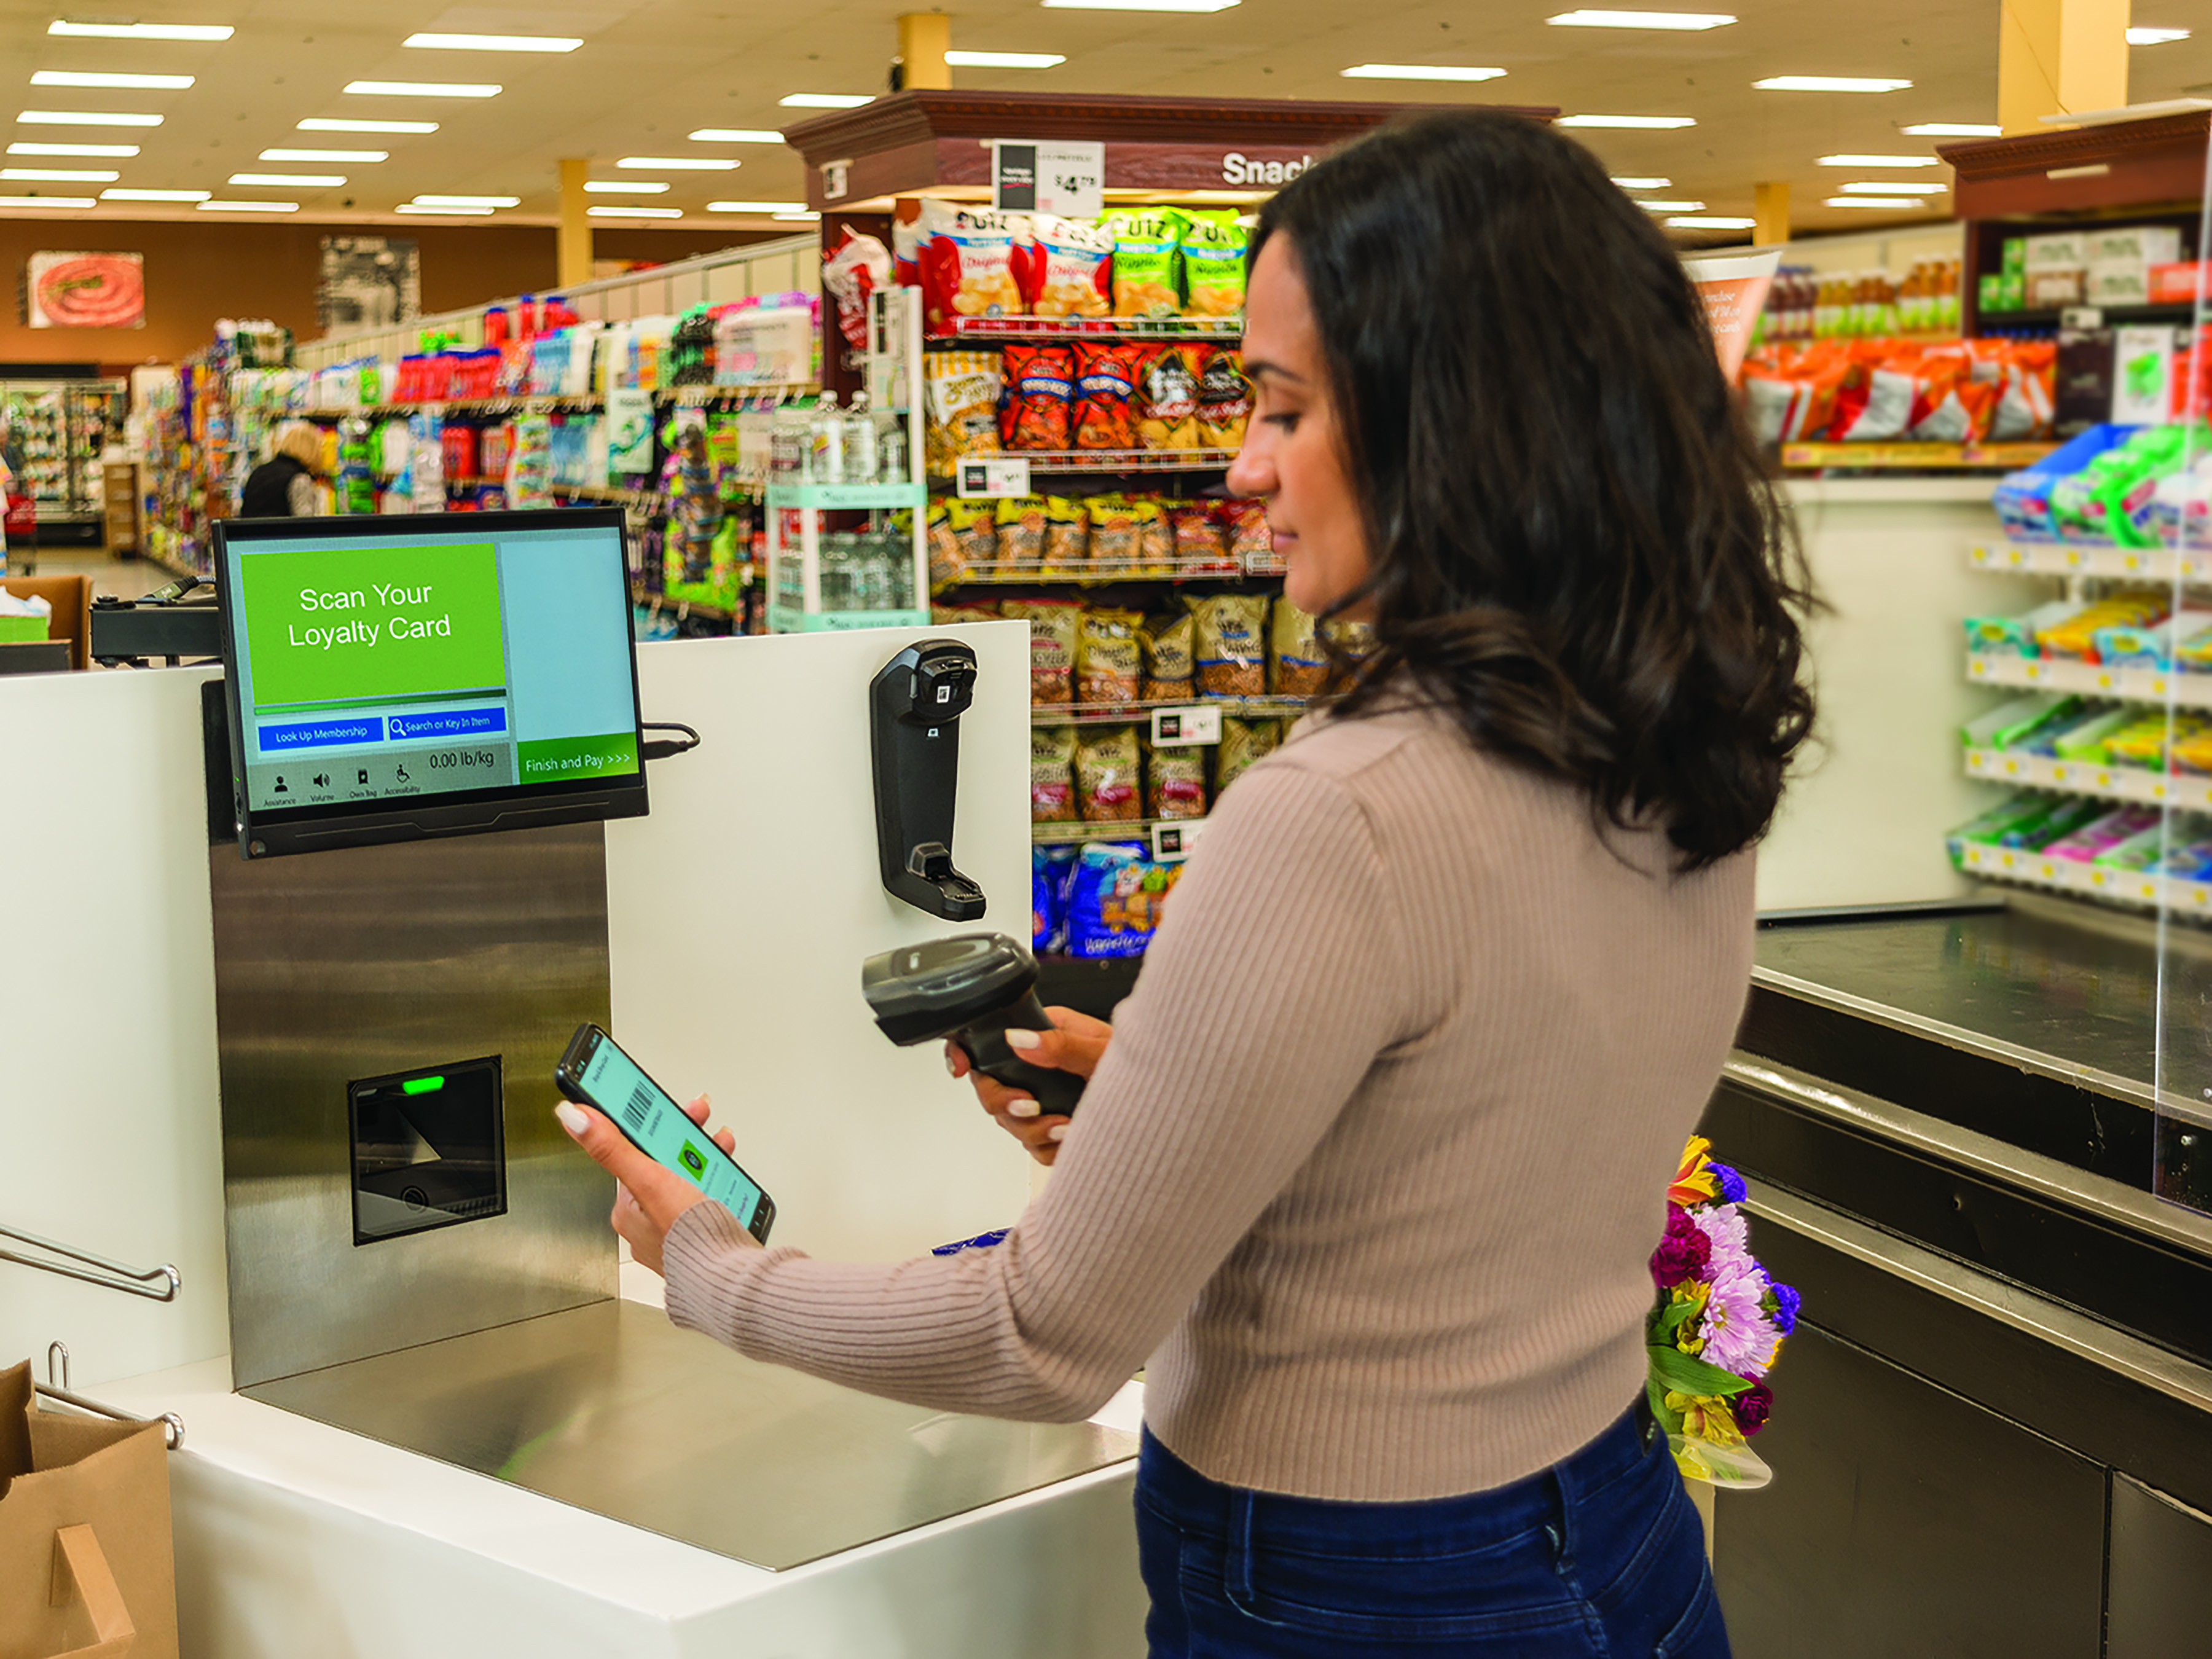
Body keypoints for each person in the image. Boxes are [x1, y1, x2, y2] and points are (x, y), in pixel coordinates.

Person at [557, 108, 1811, 1658]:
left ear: (1452, 420)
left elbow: (1042, 1337)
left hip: (1362, 1587)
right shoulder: (1687, 730)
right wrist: (1165, 1102)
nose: (1239, 465)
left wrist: (711, 1266)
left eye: (1285, 407)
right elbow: (1496, 1123)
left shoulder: (1336, 813)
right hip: (1619, 1531)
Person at [238, 421, 324, 518]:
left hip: (250, 532)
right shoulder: (299, 479)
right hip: (281, 533)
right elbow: (305, 522)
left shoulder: (259, 472)